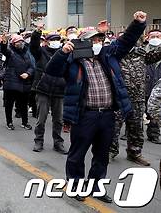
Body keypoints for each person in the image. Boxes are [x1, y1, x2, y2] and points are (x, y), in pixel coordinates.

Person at [46, 11, 148, 203]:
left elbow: (126, 41)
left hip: (107, 116)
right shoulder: (73, 61)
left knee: (101, 156)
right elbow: (52, 71)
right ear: (83, 42)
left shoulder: (108, 56)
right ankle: (76, 187)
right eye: (93, 39)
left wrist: (137, 23)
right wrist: (63, 52)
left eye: (100, 38)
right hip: (85, 116)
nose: (97, 42)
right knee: (77, 155)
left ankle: (96, 187)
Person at [109, 29, 161, 165]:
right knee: (113, 127)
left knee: (137, 128)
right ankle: (110, 151)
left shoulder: (142, 53)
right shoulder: (115, 53)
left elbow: (157, 53)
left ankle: (134, 152)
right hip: (119, 97)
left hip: (138, 97)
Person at [29, 24, 67, 154]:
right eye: (52, 39)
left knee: (58, 119)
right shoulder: (41, 52)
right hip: (43, 89)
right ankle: (38, 141)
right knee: (41, 118)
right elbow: (33, 45)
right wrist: (37, 32)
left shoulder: (64, 53)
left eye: (57, 39)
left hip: (59, 90)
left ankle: (58, 143)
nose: (55, 42)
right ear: (46, 41)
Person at [0, 32, 34, 130]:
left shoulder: (27, 52)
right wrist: (4, 42)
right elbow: (4, 50)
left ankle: (25, 122)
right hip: (11, 82)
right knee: (9, 104)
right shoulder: (10, 52)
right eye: (18, 42)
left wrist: (28, 73)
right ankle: (9, 122)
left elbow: (32, 66)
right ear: (13, 43)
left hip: (24, 82)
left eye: (21, 41)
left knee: (24, 104)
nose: (20, 43)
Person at [146, 29, 161, 144]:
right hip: (143, 87)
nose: (155, 38)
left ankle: (154, 133)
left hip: (158, 87)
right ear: (147, 38)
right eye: (152, 36)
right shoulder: (142, 52)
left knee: (155, 111)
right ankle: (129, 133)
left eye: (158, 36)